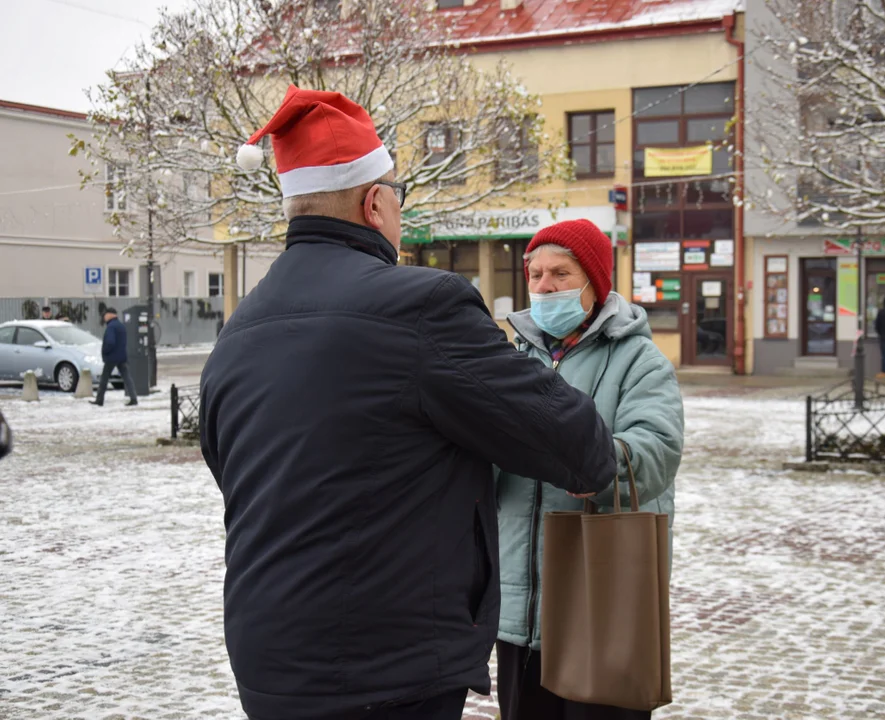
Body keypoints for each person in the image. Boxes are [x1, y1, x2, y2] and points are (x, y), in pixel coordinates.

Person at [199, 86, 616, 720]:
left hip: (268, 661)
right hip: (386, 670)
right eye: (400, 197)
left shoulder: (239, 329)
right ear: (374, 203)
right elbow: (574, 442)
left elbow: (227, 463)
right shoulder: (422, 307)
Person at [495, 219, 685, 720]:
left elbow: (657, 451)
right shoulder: (510, 359)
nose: (544, 286)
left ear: (594, 283)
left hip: (599, 602)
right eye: (534, 275)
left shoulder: (639, 360)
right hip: (519, 609)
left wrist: (589, 462)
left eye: (560, 273)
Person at [90, 308, 138, 407]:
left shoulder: (111, 327)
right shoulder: (121, 326)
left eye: (105, 315)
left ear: (110, 315)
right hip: (122, 356)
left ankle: (99, 399)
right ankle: (134, 398)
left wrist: (105, 351)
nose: (104, 317)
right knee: (127, 377)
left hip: (111, 357)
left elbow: (110, 342)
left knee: (104, 379)